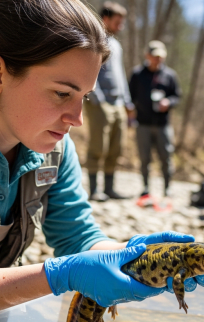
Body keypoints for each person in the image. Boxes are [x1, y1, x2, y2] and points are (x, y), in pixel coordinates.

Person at [0, 0, 204, 322]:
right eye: (63, 93)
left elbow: (77, 237)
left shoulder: (54, 144)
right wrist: (60, 275)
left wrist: (137, 257)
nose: (76, 119)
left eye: (85, 97)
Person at [85, 1, 134, 201]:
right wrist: (97, 97)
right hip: (100, 102)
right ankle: (95, 190)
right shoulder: (94, 39)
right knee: (99, 145)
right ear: (105, 19)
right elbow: (89, 69)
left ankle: (109, 188)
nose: (120, 26)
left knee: (116, 147)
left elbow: (120, 75)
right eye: (117, 22)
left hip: (118, 103)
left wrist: (127, 101)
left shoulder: (117, 44)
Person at [129, 40, 181, 198]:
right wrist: (131, 114)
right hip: (143, 123)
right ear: (147, 56)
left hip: (162, 124)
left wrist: (169, 103)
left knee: (166, 157)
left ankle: (167, 187)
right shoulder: (137, 74)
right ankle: (145, 187)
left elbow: (177, 96)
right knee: (145, 158)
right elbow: (129, 96)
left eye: (161, 57)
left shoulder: (170, 75)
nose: (158, 60)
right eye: (155, 56)